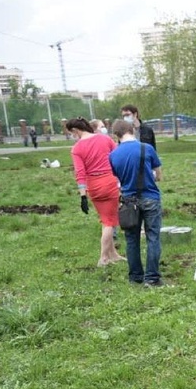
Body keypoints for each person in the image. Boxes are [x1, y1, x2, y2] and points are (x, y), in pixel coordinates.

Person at [109, 119, 164, 287]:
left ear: (116, 135)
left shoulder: (113, 155)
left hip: (128, 201)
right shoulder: (147, 148)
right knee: (153, 237)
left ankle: (135, 277)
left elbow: (118, 178)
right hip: (150, 198)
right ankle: (152, 278)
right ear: (132, 130)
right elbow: (159, 175)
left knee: (131, 239)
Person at [67, 117, 125, 267]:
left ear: (75, 130)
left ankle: (113, 254)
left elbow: (80, 173)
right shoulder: (104, 139)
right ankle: (104, 258)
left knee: (106, 219)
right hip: (109, 182)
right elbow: (118, 156)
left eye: (71, 133)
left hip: (93, 186)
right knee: (109, 222)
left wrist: (83, 196)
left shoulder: (77, 148)